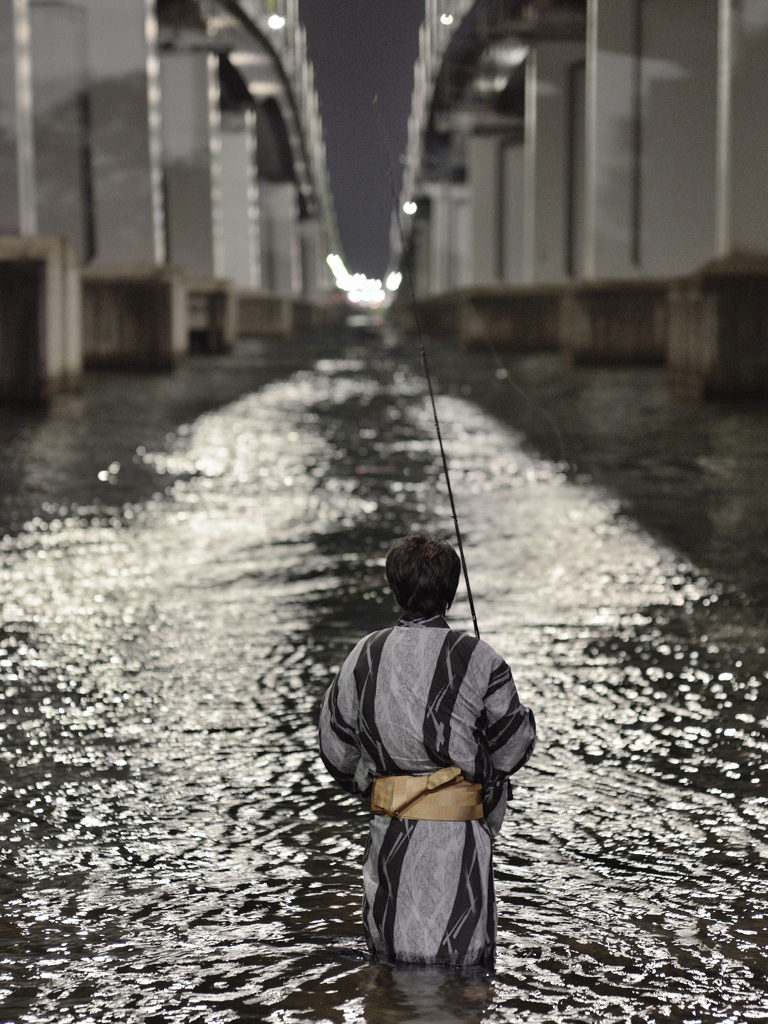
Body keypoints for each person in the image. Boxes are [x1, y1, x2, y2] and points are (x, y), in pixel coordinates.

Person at [318, 532, 536, 967]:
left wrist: (384, 788)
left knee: (390, 967)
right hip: (461, 841)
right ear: (451, 593)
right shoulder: (480, 658)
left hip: (391, 834)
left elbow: (336, 749)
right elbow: (514, 747)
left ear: (394, 589)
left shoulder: (362, 656)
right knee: (464, 974)